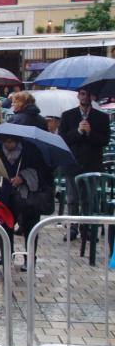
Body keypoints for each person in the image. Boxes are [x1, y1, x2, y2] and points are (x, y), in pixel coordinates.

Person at [0, 135, 50, 271]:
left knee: (30, 227)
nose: (9, 145)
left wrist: (23, 177)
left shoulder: (30, 149)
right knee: (6, 225)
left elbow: (42, 170)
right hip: (7, 195)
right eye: (6, 142)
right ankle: (7, 254)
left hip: (29, 196)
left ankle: (30, 257)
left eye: (11, 141)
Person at [59, 88, 111, 240]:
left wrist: (90, 133)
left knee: (89, 198)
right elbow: (63, 138)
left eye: (88, 94)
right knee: (72, 198)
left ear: (92, 97)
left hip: (92, 163)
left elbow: (104, 140)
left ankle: (87, 228)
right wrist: (79, 132)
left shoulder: (101, 117)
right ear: (78, 96)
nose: (85, 97)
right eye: (82, 94)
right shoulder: (68, 115)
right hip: (72, 163)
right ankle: (73, 227)